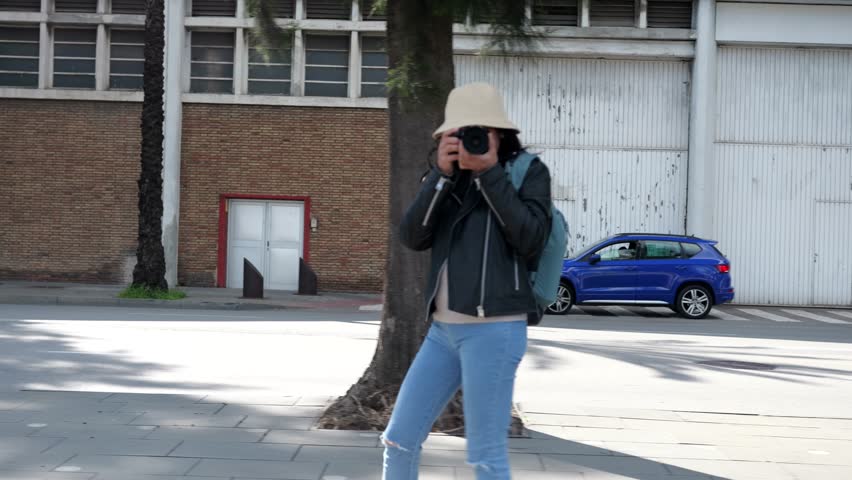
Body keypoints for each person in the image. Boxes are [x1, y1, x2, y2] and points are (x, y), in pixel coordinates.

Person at [381, 82, 553, 480]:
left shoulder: (527, 173)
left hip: (494, 330)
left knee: (485, 456)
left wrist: (490, 175)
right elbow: (412, 236)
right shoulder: (447, 179)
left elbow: (531, 238)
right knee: (398, 438)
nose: (470, 139)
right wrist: (439, 177)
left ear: (500, 135)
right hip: (443, 331)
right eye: (460, 132)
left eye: (480, 131)